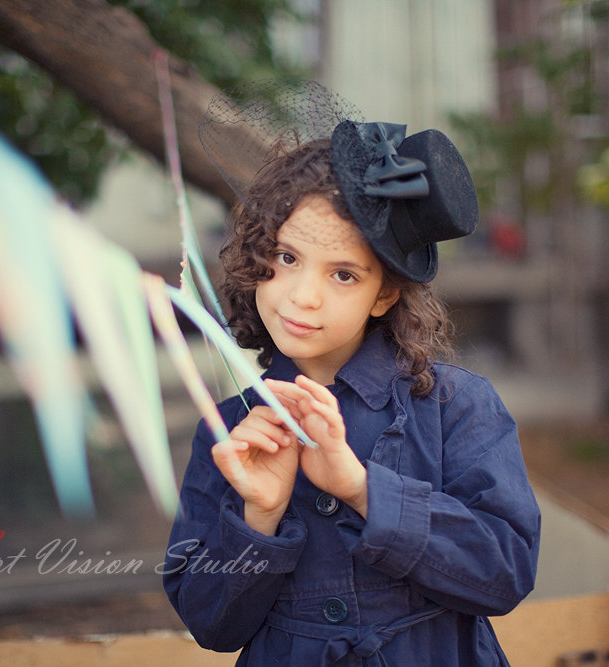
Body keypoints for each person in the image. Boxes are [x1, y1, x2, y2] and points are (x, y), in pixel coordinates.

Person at [162, 81, 541, 667]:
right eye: (287, 257)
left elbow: (504, 574)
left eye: (343, 274)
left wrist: (363, 490)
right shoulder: (231, 433)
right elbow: (210, 623)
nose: (302, 297)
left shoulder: (456, 406)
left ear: (385, 294)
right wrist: (258, 517)